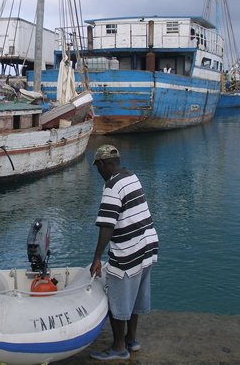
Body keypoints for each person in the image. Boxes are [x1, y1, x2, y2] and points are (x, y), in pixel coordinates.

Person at [89, 145, 159, 361]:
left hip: (129, 249)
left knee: (117, 298)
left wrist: (97, 257)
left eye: (97, 168)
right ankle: (132, 339)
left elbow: (107, 225)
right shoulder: (131, 176)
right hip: (148, 244)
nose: (98, 172)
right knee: (135, 294)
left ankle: (119, 347)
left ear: (102, 164)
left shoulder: (112, 186)